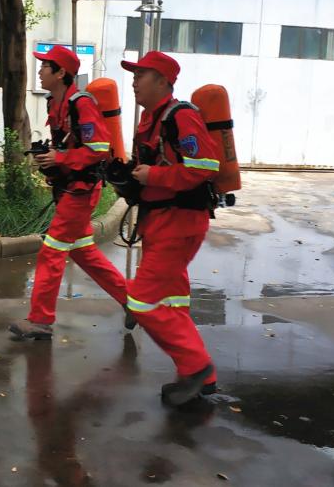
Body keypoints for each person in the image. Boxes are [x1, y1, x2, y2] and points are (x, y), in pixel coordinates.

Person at [9, 45, 133, 340]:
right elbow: (68, 144)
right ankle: (133, 302)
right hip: (71, 188)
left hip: (82, 190)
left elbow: (98, 148)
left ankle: (40, 321)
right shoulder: (55, 102)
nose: (40, 71)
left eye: (44, 66)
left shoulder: (82, 104)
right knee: (83, 251)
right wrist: (52, 159)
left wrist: (61, 158)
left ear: (61, 72)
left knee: (51, 251)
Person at [120, 51, 221, 406]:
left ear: (163, 81)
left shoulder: (181, 116)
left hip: (179, 222)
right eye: (134, 75)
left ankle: (196, 367)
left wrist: (154, 176)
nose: (134, 81)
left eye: (141, 75)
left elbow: (205, 166)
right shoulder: (150, 119)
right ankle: (202, 377)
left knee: (141, 302)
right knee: (173, 300)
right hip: (159, 220)